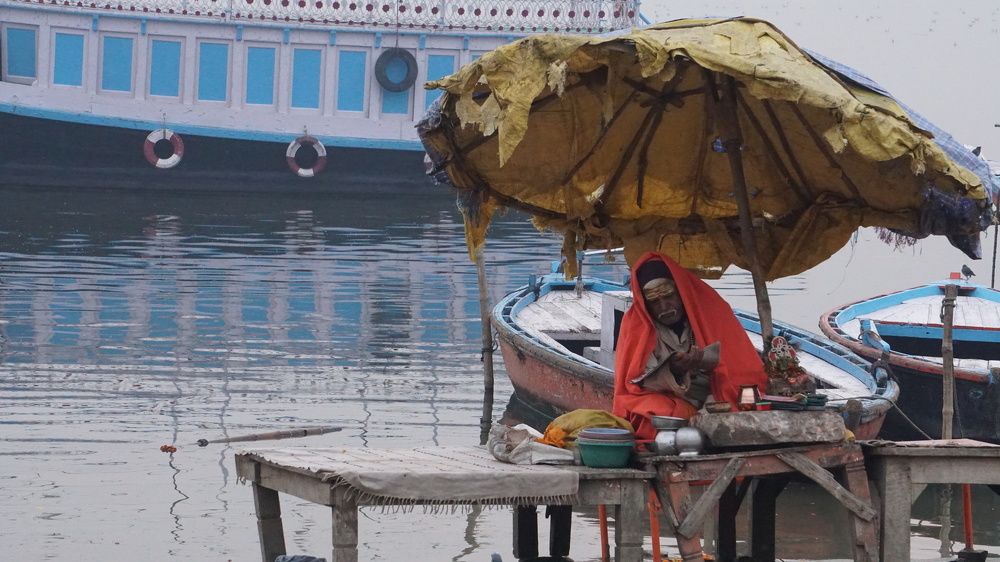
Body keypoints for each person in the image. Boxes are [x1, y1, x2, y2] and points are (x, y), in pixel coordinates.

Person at [612, 252, 768, 441]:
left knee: (737, 406)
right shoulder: (635, 325)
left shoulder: (712, 309)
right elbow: (634, 385)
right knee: (652, 416)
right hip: (666, 400)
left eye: (668, 296)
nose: (664, 306)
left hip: (713, 395)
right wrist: (675, 371)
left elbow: (741, 368)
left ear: (681, 290)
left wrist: (703, 362)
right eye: (654, 302)